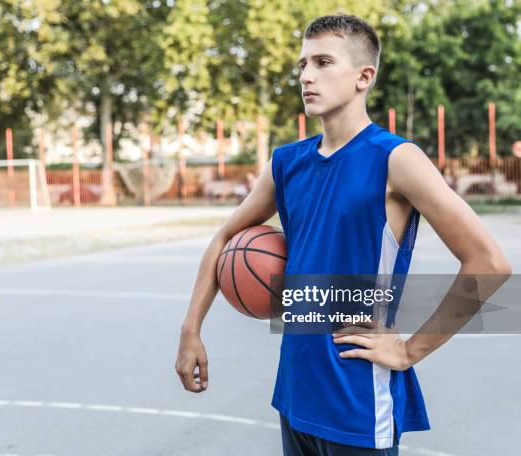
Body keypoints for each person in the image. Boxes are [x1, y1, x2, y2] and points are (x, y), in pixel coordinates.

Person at [175, 14, 511, 456]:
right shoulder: (286, 164)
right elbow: (224, 240)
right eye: (302, 65)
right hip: (295, 393)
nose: (307, 76)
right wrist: (190, 329)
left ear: (363, 77)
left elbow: (490, 264)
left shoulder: (395, 159)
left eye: (323, 62)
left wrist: (410, 350)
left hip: (357, 401)